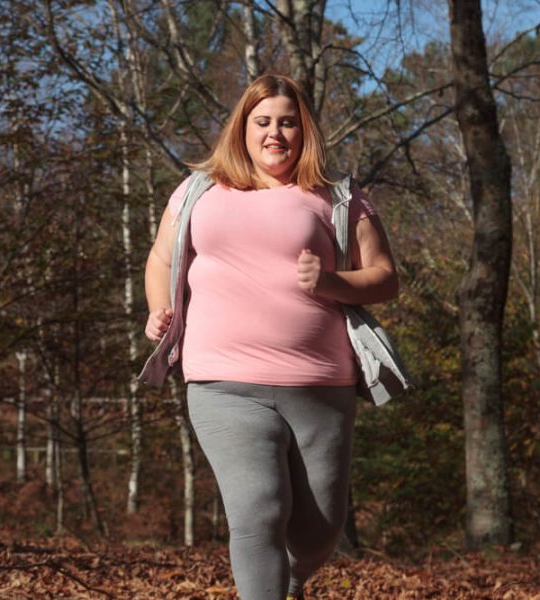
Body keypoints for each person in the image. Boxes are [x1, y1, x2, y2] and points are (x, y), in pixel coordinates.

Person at [143, 74, 399, 600]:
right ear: (243, 128)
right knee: (258, 509)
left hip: (320, 385)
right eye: (262, 122)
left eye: (287, 122)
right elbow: (162, 259)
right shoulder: (199, 191)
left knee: (319, 530)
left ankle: (287, 583)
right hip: (222, 383)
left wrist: (330, 282)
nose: (274, 134)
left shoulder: (338, 196)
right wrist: (158, 309)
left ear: (305, 130)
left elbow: (385, 277)